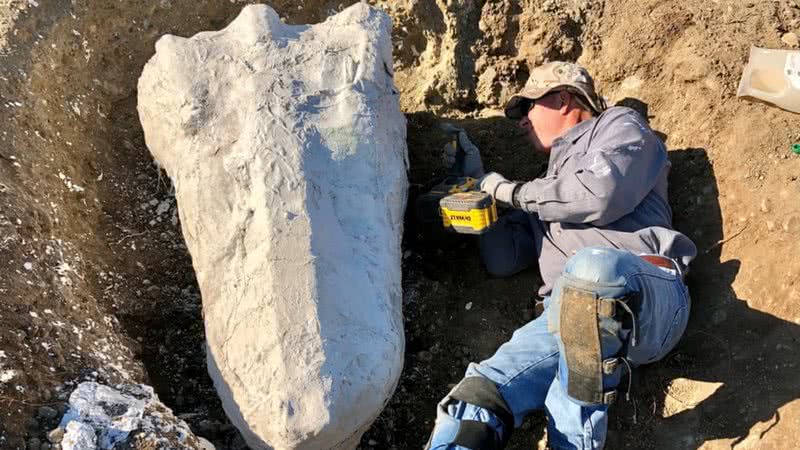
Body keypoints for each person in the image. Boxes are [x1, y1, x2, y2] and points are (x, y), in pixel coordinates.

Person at [426, 61, 697, 450]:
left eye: (527, 108)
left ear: (565, 99)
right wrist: (479, 195)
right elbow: (503, 261)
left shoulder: (621, 127)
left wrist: (508, 192)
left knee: (591, 271)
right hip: (564, 318)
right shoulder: (546, 188)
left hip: (649, 301)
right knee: (477, 396)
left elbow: (600, 194)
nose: (520, 122)